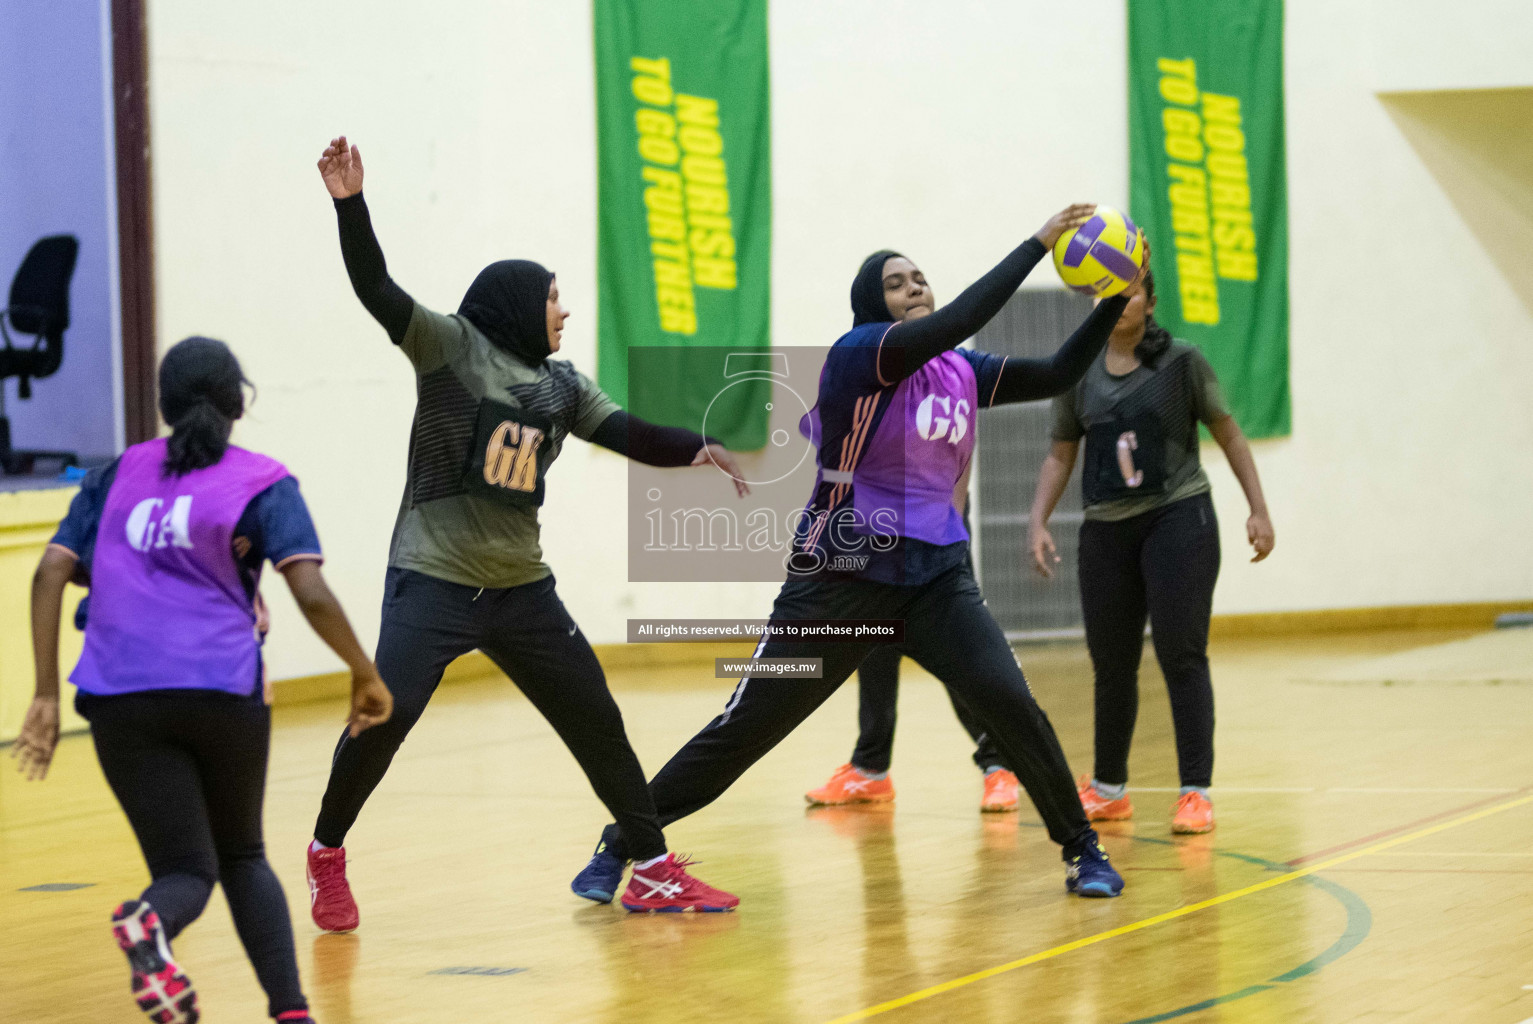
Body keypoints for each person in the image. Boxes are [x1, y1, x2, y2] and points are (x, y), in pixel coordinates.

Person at [573, 204, 1143, 905]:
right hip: (841, 577)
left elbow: (1056, 372)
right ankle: (620, 843)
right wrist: (1035, 246)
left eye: (921, 278)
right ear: (872, 302)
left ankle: (1081, 847)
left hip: (936, 577)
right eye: (898, 281)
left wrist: (1111, 298)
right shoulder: (862, 352)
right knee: (747, 728)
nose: (916, 287)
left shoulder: (959, 371)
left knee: (1013, 706)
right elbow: (954, 321)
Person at [306, 137, 746, 921]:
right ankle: (326, 852)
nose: (565, 310)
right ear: (516, 304)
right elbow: (375, 285)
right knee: (386, 716)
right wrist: (351, 205)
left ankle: (649, 868)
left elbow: (633, 436)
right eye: (552, 298)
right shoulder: (448, 347)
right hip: (433, 576)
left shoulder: (560, 386)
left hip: (520, 590)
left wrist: (699, 447)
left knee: (596, 719)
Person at [13, 337, 393, 1024]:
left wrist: (42, 694)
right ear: (237, 402)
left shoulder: (113, 476)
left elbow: (47, 573)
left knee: (186, 869)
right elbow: (307, 589)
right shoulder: (262, 480)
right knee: (242, 853)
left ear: (162, 404)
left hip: (118, 696)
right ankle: (290, 1010)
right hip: (220, 689)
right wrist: (364, 673)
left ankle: (152, 924)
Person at [1027, 265, 1274, 834]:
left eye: (1127, 291)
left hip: (1178, 519)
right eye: (1102, 293)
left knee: (1180, 654)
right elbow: (1061, 452)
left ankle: (1195, 792)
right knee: (1111, 664)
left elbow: (1229, 432)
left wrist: (1257, 509)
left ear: (1151, 300)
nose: (1114, 301)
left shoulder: (1182, 361)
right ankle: (1109, 788)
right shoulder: (1078, 370)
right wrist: (1037, 519)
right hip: (1106, 530)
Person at [804, 512, 1023, 814]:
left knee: (953, 647)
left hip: (934, 524)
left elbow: (960, 471)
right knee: (874, 641)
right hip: (877, 526)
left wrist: (947, 522)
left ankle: (998, 762)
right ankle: (870, 767)